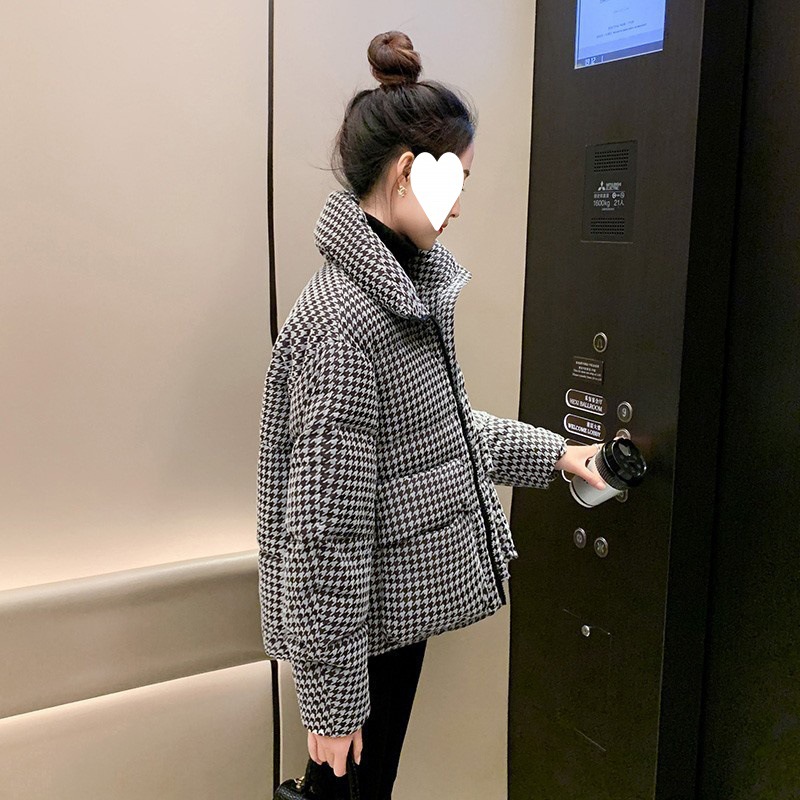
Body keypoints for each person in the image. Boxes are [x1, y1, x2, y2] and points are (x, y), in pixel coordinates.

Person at [256, 30, 606, 800]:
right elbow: (325, 533)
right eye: (458, 182)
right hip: (362, 636)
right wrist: (332, 701)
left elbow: (441, 435)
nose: (460, 206)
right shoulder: (344, 327)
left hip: (385, 619)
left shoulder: (399, 297)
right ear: (408, 172)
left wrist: (557, 455)